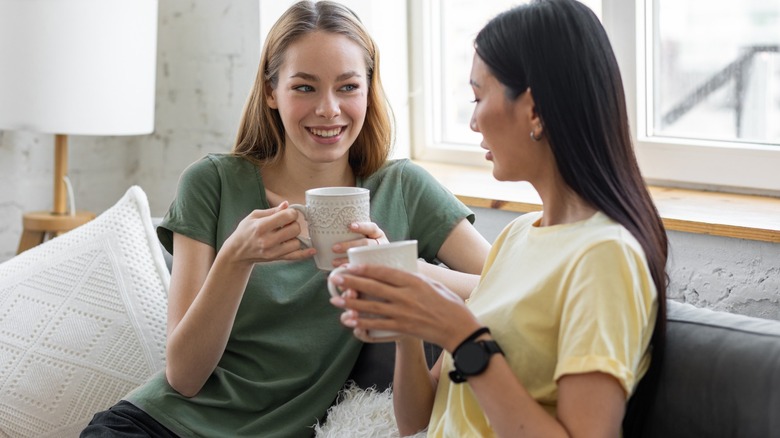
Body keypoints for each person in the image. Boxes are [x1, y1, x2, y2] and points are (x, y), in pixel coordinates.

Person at [80, 1, 489, 437]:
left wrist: (401, 267)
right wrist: (235, 259)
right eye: (305, 88)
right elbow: (183, 376)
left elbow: (514, 280)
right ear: (272, 92)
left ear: (369, 90)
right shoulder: (212, 183)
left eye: (348, 86)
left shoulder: (402, 188)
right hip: (160, 426)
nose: (329, 109)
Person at [329, 0, 669, 436]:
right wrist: (407, 326)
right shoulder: (517, 236)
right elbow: (417, 420)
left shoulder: (605, 257)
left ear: (534, 110)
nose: (473, 122)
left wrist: (464, 336)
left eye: (478, 96)